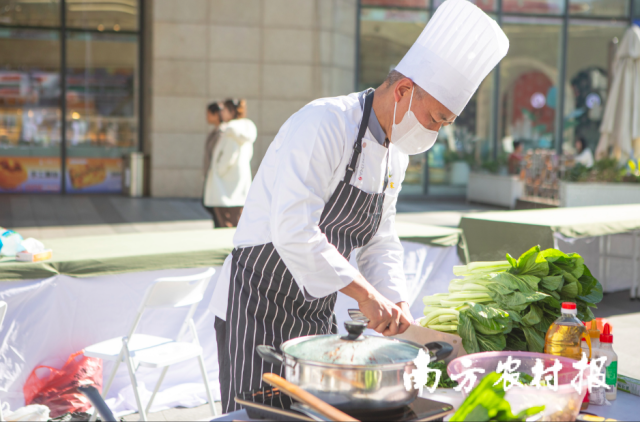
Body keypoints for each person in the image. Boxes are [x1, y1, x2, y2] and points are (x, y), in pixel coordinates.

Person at [211, 0, 509, 412]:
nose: (436, 132)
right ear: (404, 90)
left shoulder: (396, 153)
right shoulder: (325, 122)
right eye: (437, 118)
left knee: (309, 414)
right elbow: (292, 229)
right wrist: (365, 294)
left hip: (313, 313)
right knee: (256, 414)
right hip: (257, 301)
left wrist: (395, 301)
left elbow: (379, 239)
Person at [203, 99, 257, 228]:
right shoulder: (244, 129)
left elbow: (228, 156)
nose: (222, 113)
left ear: (231, 112)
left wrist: (217, 170)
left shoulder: (231, 130)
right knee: (236, 221)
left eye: (224, 110)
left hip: (224, 185)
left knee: (225, 223)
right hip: (239, 181)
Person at [202, 102, 224, 227]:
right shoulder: (215, 131)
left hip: (217, 179)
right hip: (210, 176)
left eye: (208, 114)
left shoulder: (223, 133)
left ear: (216, 114)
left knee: (215, 209)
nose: (206, 117)